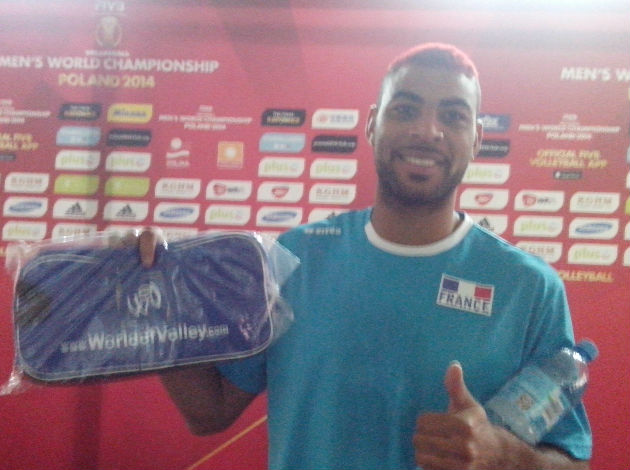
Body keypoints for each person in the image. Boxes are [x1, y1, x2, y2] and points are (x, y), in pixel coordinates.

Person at [139, 43, 592, 469]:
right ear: (373, 125)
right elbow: (209, 411)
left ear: (476, 139)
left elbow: (574, 460)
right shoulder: (293, 260)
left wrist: (503, 454)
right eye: (405, 110)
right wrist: (155, 297)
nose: (427, 131)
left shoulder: (528, 287)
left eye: (453, 116)